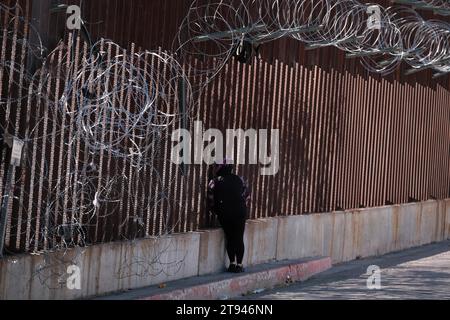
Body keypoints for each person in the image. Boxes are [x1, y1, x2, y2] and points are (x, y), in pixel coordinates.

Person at [207, 160, 250, 273]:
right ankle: (239, 265)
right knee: (239, 237)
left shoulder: (214, 182)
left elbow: (210, 200)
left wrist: (217, 211)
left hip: (224, 213)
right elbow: (246, 195)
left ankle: (232, 264)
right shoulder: (240, 179)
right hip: (240, 212)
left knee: (230, 237)